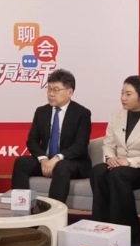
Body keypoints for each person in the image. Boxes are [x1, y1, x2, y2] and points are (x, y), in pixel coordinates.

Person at [89, 75, 140, 240]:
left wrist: (128, 162)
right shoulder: (116, 116)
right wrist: (110, 158)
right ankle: (100, 226)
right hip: (118, 165)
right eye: (122, 93)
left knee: (118, 174)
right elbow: (108, 144)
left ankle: (127, 232)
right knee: (98, 171)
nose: (123, 98)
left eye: (128, 94)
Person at [11, 69, 92, 203]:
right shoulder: (41, 111)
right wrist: (43, 159)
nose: (51, 94)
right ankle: (21, 207)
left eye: (56, 90)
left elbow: (80, 146)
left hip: (72, 163)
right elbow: (32, 141)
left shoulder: (82, 113)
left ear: (70, 92)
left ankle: (54, 211)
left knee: (62, 166)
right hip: (46, 161)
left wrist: (57, 158)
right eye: (49, 89)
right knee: (21, 163)